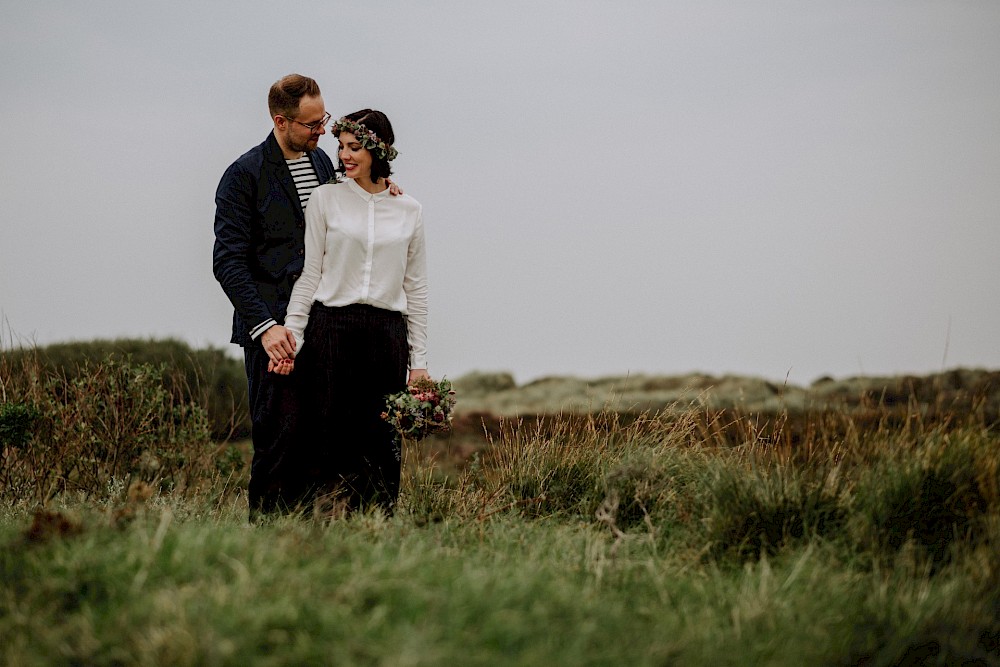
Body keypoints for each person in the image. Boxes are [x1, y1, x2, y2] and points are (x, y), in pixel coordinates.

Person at [213, 75, 400, 519]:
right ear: (281, 121)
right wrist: (265, 327)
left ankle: (314, 541)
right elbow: (228, 262)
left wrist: (386, 189)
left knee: (321, 438)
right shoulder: (244, 175)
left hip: (322, 326)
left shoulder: (322, 165)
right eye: (312, 125)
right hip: (272, 330)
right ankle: (267, 537)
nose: (323, 133)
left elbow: (354, 203)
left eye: (324, 121)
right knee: (278, 438)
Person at [271, 109, 429, 514]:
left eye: (354, 147)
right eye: (340, 146)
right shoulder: (326, 199)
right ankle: (321, 531)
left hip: (386, 336)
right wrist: (294, 336)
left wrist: (420, 362)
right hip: (330, 331)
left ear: (378, 151)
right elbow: (310, 275)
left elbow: (416, 288)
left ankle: (375, 529)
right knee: (325, 437)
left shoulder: (409, 209)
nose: (344, 155)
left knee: (380, 440)